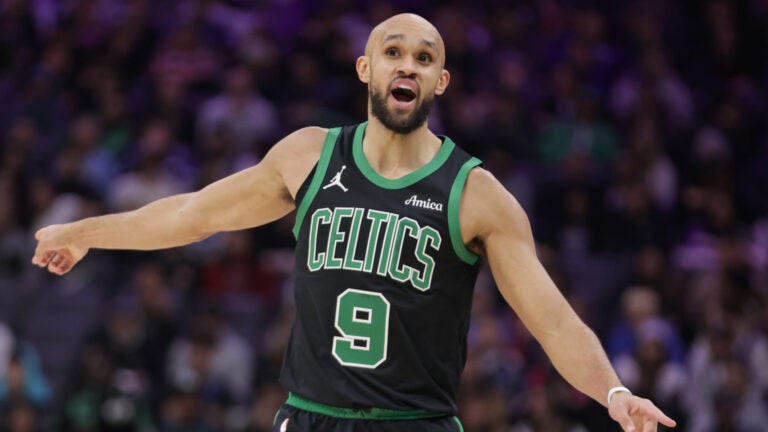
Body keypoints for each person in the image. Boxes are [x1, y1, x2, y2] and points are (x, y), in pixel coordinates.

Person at [32, 13, 676, 432]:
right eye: (392, 52)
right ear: (366, 69)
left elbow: (554, 321)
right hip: (310, 415)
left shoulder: (477, 194)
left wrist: (615, 397)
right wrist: (82, 232)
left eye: (424, 59)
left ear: (440, 82)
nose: (407, 65)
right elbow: (192, 213)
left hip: (414, 421)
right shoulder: (309, 155)